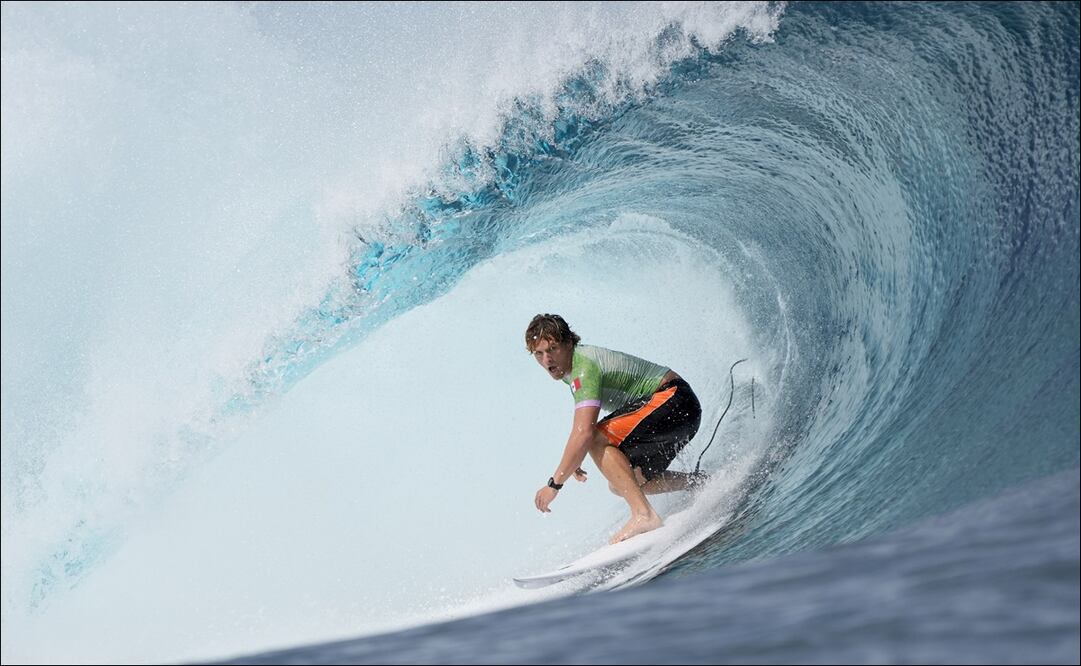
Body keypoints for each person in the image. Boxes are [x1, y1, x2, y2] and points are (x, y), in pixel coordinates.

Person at [526, 313, 704, 544]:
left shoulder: (584, 367)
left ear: (569, 343)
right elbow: (584, 428)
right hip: (681, 410)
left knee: (594, 438)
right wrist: (577, 454)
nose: (547, 359)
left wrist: (554, 485)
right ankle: (699, 482)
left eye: (552, 349)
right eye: (539, 353)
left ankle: (644, 515)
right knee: (624, 482)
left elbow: (585, 432)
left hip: (674, 400)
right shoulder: (573, 369)